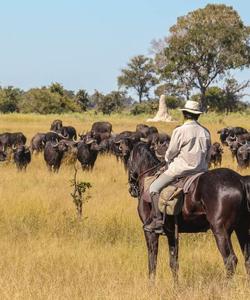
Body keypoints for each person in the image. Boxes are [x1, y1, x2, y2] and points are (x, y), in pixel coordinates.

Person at [144, 100, 211, 234]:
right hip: (202, 171)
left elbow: (171, 152)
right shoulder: (205, 132)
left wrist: (168, 160)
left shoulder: (180, 130)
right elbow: (208, 155)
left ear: (185, 114)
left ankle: (157, 221)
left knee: (153, 188)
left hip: (179, 170)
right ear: (197, 115)